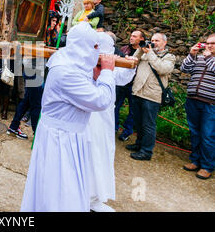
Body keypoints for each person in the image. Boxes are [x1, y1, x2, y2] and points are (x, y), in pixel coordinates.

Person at [20, 22, 116, 212]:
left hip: (68, 135)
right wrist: (106, 73)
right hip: (61, 139)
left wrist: (96, 77)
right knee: (61, 190)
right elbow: (100, 100)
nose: (97, 51)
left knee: (63, 188)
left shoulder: (70, 60)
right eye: (95, 46)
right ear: (83, 46)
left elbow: (84, 84)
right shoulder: (67, 71)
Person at [86, 32, 137, 212]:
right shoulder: (83, 62)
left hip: (105, 117)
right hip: (88, 116)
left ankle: (95, 197)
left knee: (103, 153)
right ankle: (83, 195)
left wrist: (130, 65)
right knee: (88, 153)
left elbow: (123, 78)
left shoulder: (111, 63)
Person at [127, 33, 176, 160]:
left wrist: (150, 53)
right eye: (152, 40)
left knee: (148, 124)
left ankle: (146, 151)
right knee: (138, 122)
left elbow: (162, 69)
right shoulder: (145, 52)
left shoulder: (169, 57)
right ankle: (139, 144)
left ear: (164, 42)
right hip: (138, 91)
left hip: (152, 95)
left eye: (157, 40)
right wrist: (140, 49)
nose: (154, 42)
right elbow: (134, 60)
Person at [180, 34, 215, 180]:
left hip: (210, 104)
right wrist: (192, 54)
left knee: (208, 135)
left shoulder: (207, 58)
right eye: (207, 43)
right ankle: (195, 160)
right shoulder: (199, 57)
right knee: (195, 132)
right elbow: (184, 68)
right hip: (193, 100)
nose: (209, 45)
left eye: (213, 43)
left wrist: (208, 57)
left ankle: (207, 166)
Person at [115, 30, 145, 141]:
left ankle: (127, 131)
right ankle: (114, 127)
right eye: (131, 35)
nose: (131, 38)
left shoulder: (145, 52)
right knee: (116, 106)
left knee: (132, 110)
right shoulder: (124, 49)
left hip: (135, 84)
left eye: (134, 36)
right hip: (121, 83)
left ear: (141, 39)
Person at [7, 55, 45, 139]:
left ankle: (14, 126)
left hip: (32, 71)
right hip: (34, 71)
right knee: (36, 105)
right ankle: (37, 134)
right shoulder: (35, 43)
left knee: (26, 102)